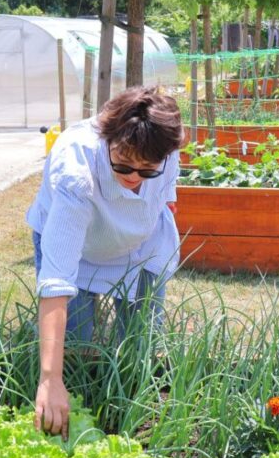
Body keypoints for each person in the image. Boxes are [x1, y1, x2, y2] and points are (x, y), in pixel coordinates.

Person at [26, 86, 183, 439]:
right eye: (124, 165)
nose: (134, 177)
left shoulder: (165, 148)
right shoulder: (77, 169)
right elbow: (56, 282)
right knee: (76, 345)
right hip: (78, 250)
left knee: (138, 347)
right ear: (107, 138)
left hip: (140, 248)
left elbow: (166, 199)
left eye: (148, 170)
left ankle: (127, 416)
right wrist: (50, 380)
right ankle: (73, 410)